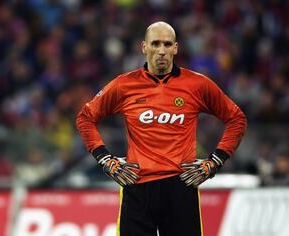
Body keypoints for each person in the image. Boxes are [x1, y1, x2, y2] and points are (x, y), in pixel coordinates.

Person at [76, 21, 247, 236]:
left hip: (181, 187)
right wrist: (105, 159)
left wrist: (215, 161)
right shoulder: (123, 85)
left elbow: (236, 118)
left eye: (167, 44)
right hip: (137, 185)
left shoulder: (197, 85)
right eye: (155, 44)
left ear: (176, 48)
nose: (162, 51)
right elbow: (85, 118)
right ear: (144, 47)